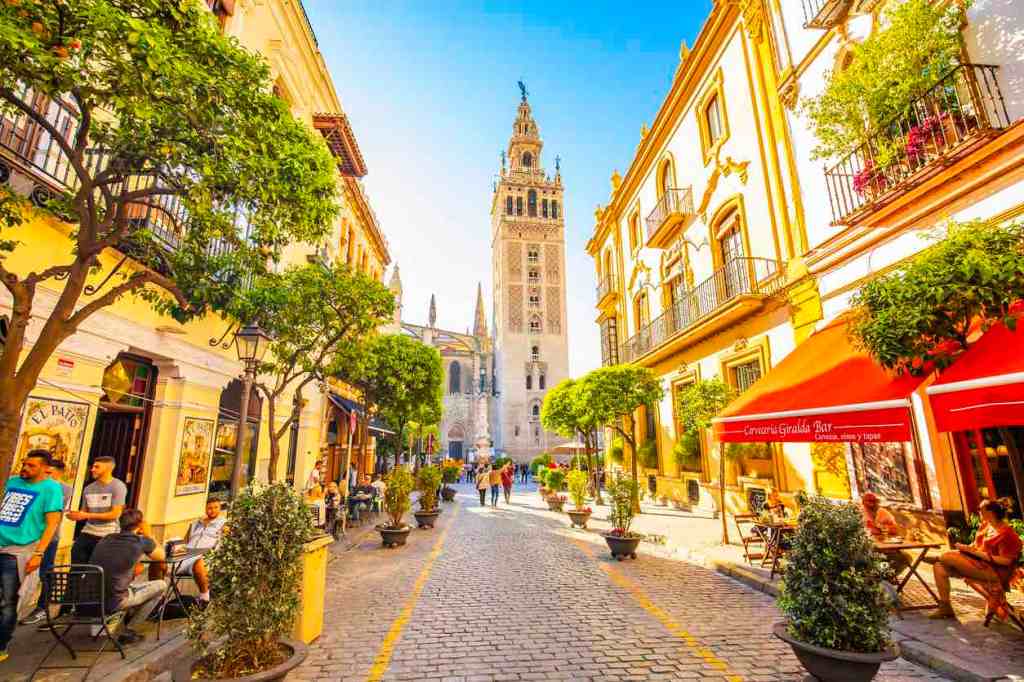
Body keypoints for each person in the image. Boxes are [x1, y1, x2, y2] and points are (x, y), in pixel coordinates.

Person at [0, 450, 64, 661]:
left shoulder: (51, 488)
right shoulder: (12, 481)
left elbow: (52, 524)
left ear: (45, 468)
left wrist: (38, 553)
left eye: (31, 466)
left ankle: (1, 645)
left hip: (19, 550)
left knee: (8, 600)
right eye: (24, 464)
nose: (25, 468)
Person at [930, 499, 1023, 619]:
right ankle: (945, 608)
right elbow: (975, 546)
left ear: (990, 512)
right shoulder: (986, 526)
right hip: (978, 563)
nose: (978, 511)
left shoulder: (1007, 534)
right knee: (939, 567)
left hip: (995, 571)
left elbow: (1006, 561)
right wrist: (966, 548)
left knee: (945, 557)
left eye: (980, 509)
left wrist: (976, 553)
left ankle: (935, 557)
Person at [89, 509, 166, 643]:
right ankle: (129, 630)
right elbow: (161, 556)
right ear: (140, 525)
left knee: (127, 584)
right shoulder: (141, 541)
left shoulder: (105, 539)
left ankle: (119, 619)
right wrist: (149, 534)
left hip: (89, 599)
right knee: (161, 585)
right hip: (115, 601)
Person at [20, 459, 74, 626]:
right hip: (25, 537)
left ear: (59, 474)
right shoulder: (31, 484)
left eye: (50, 473)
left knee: (45, 572)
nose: (46, 475)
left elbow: (50, 513)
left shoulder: (63, 489)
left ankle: (42, 607)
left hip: (49, 537)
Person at [68, 456, 128, 566]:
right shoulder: (88, 488)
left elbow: (115, 514)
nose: (92, 469)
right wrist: (76, 515)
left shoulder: (118, 486)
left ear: (109, 468)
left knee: (97, 568)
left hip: (108, 533)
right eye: (93, 466)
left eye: (97, 467)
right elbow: (84, 512)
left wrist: (86, 515)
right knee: (76, 563)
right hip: (88, 531)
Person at [176, 498, 226, 604]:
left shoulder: (223, 524)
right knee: (158, 564)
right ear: (205, 509)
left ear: (220, 508)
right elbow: (184, 541)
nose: (212, 510)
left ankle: (204, 598)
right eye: (209, 508)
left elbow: (225, 543)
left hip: (206, 557)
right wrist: (178, 548)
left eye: (216, 507)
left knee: (199, 563)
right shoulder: (195, 523)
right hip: (186, 555)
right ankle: (159, 600)